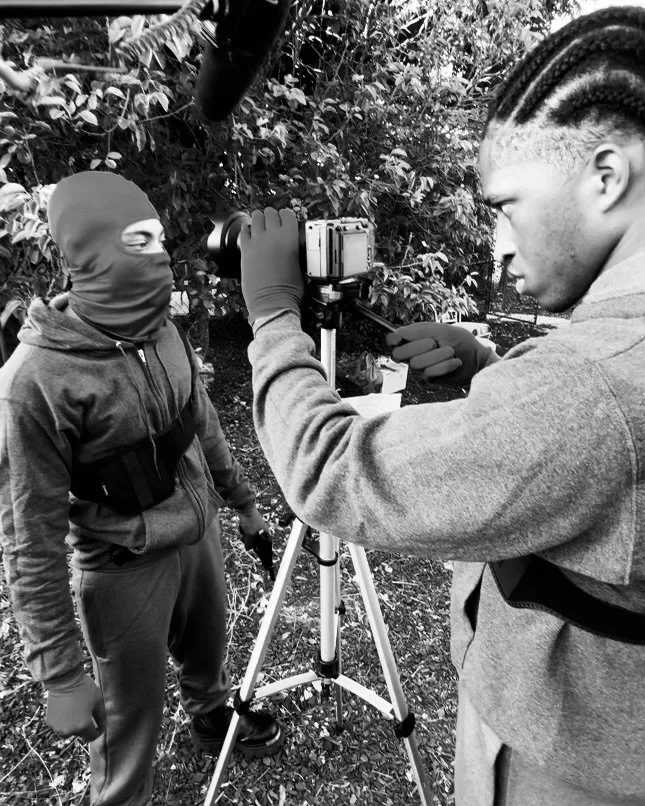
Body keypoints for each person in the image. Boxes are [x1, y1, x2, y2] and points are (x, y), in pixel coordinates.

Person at [237, 7, 645, 806]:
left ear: (605, 176)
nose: (495, 241)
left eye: (504, 204)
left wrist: (273, 317)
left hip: (564, 763)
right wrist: (485, 374)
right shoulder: (596, 371)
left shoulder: (588, 387)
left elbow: (329, 472)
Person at [0, 171, 282, 806]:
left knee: (207, 651)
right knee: (129, 719)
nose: (158, 257)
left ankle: (210, 712)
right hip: (123, 563)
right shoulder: (35, 381)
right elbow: (28, 538)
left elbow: (198, 420)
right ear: (90, 251)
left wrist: (241, 502)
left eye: (159, 239)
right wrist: (60, 675)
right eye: (138, 240)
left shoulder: (159, 327)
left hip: (196, 531)